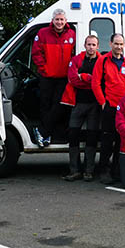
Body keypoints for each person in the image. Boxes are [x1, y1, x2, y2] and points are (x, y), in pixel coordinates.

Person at [92, 33, 125, 184]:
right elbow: (95, 83)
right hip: (109, 107)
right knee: (107, 140)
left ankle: (116, 171)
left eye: (121, 44)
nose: (119, 47)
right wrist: (102, 102)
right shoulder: (102, 61)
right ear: (110, 44)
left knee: (120, 141)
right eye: (116, 44)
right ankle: (104, 171)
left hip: (123, 109)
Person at [31, 9, 75, 148]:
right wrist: (44, 69)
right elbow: (36, 53)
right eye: (57, 19)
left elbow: (75, 54)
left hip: (63, 78)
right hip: (47, 77)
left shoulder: (72, 34)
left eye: (62, 19)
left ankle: (42, 132)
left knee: (59, 106)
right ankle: (47, 136)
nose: (59, 22)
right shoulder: (43, 33)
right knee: (45, 106)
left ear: (66, 21)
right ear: (53, 20)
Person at [61, 35, 101, 182]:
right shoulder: (77, 59)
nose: (91, 47)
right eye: (89, 44)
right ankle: (74, 170)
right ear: (84, 45)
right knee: (73, 135)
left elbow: (100, 81)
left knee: (92, 137)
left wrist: (83, 77)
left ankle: (89, 171)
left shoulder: (101, 61)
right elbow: (72, 79)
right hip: (77, 103)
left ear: (98, 46)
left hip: (94, 105)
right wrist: (89, 79)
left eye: (94, 44)